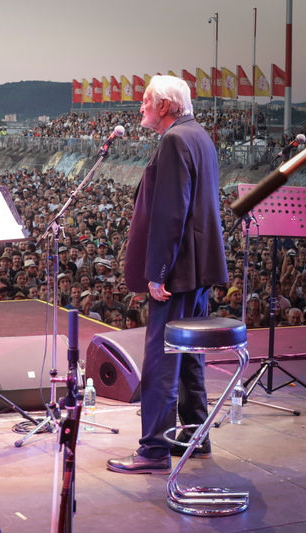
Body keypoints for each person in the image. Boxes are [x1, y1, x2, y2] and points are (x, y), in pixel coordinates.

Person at [107, 75, 228, 474]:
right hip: (196, 269)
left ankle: (154, 449)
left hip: (175, 272)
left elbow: (171, 213)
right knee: (190, 357)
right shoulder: (199, 136)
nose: (140, 107)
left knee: (161, 358)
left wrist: (157, 272)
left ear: (165, 106)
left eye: (145, 101)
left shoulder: (175, 140)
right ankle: (197, 437)